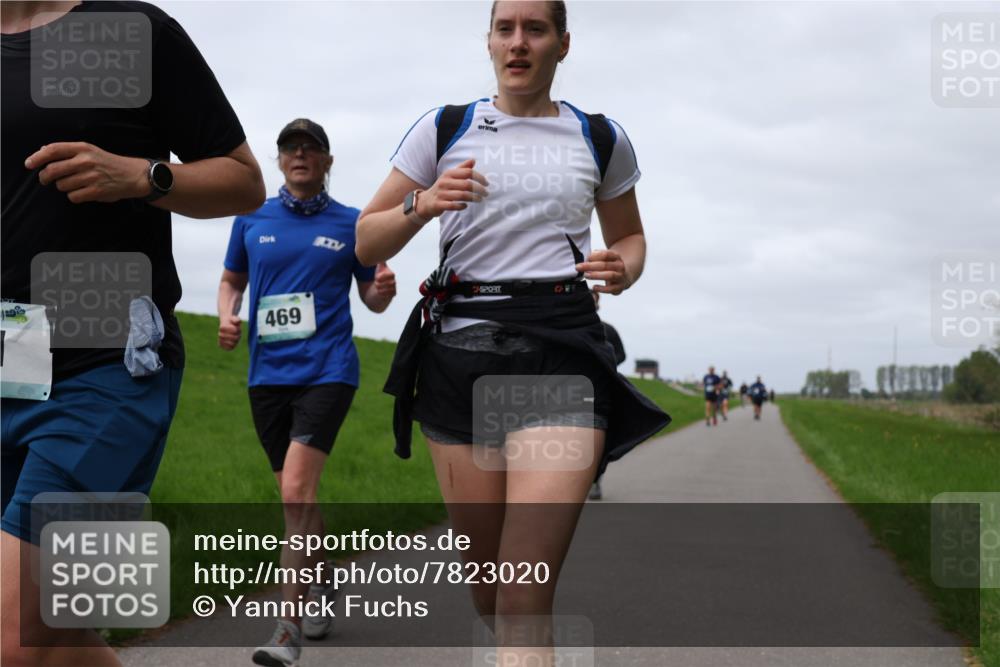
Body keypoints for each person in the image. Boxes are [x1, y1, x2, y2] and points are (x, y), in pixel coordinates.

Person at [356, 1, 669, 661]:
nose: (518, 42)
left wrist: (625, 267)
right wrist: (422, 203)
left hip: (561, 356)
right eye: (506, 29)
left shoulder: (599, 137)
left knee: (524, 591)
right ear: (489, 42)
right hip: (457, 358)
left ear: (563, 43)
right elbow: (366, 239)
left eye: (535, 29)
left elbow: (631, 238)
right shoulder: (444, 128)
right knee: (489, 592)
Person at [1, 2, 265, 665]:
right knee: (57, 631)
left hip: (107, 364)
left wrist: (143, 176)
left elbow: (243, 182)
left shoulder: (132, 32)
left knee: (14, 636)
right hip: (10, 357)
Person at [218, 118, 396, 666]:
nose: (299, 154)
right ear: (279, 160)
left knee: (296, 493)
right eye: (290, 148)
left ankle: (286, 630)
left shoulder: (353, 222)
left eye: (310, 148)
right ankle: (323, 578)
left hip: (328, 370)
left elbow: (372, 299)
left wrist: (383, 290)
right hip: (267, 376)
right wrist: (227, 315)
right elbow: (232, 281)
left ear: (326, 161)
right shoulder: (251, 217)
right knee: (297, 495)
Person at [588, 289, 626, 501]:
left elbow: (621, 354)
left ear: (598, 304)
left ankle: (595, 480)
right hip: (568, 388)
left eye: (593, 300)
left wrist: (605, 362)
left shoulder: (607, 330)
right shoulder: (564, 328)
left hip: (599, 389)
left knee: (595, 440)